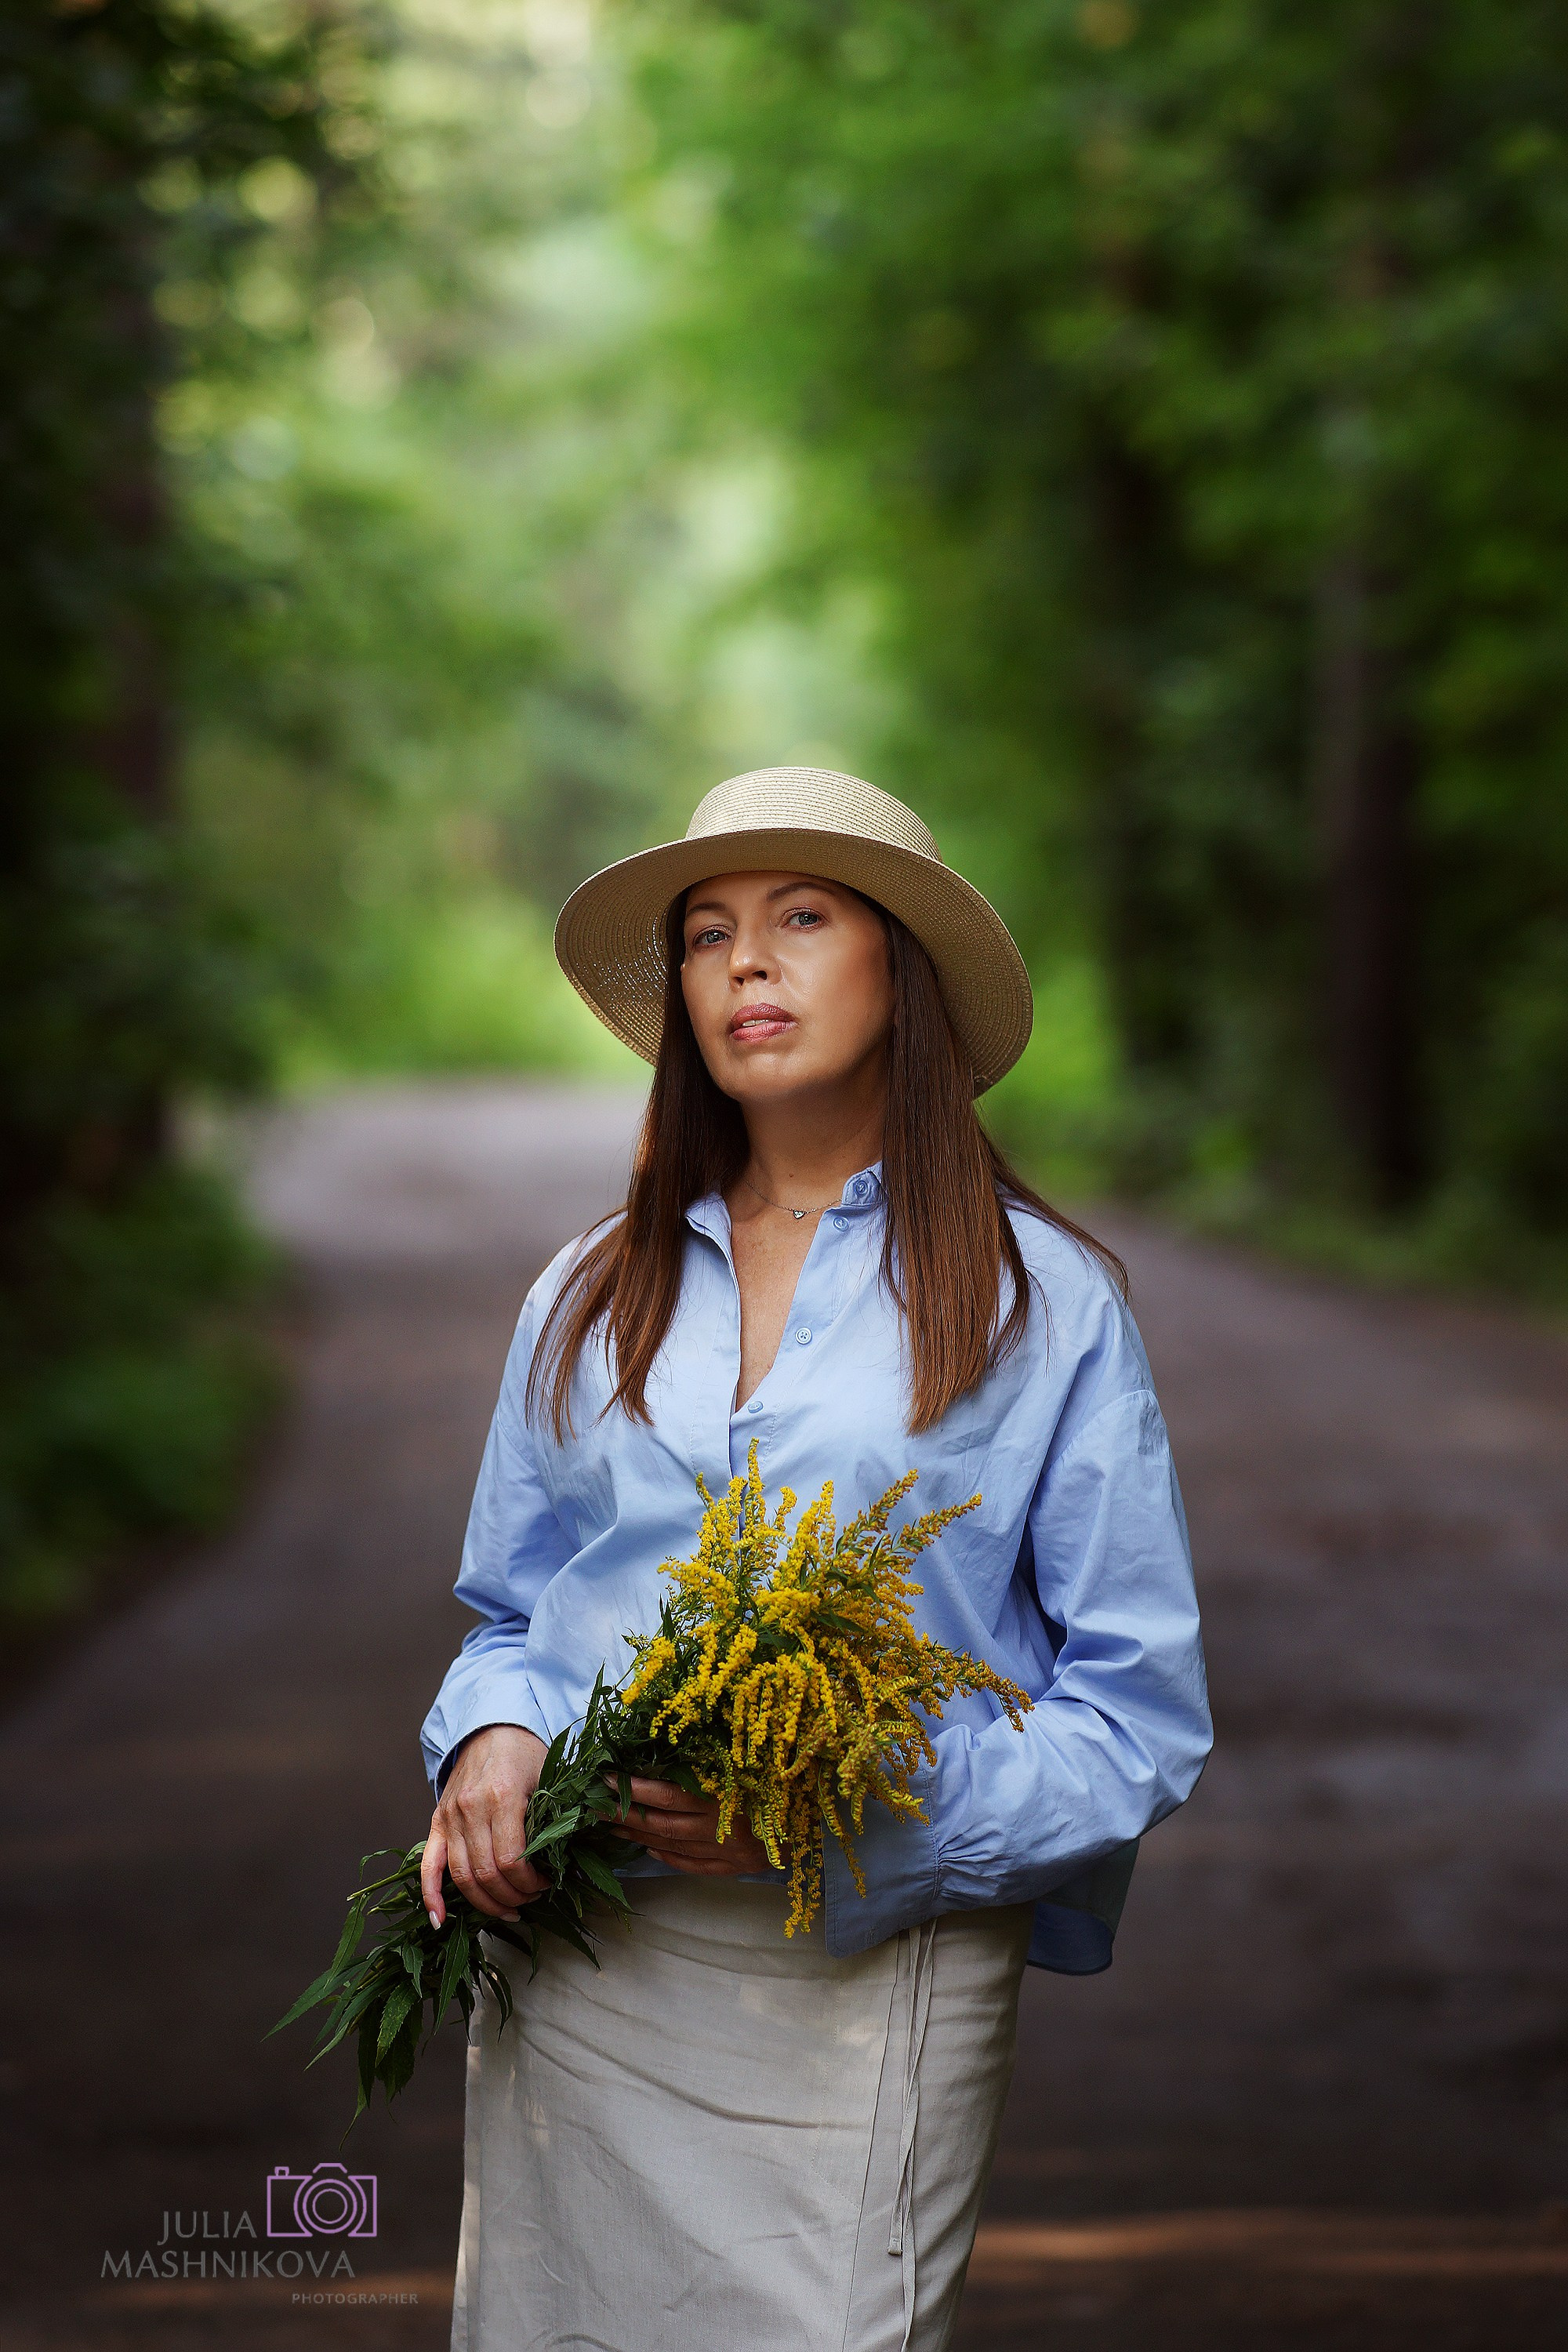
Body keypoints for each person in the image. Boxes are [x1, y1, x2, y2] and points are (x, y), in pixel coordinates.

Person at [418, 767, 1211, 2352]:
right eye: (706, 935)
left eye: (799, 918)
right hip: (583, 1959)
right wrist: (492, 1738)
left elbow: (1136, 1719)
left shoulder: (1040, 1307)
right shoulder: (587, 1289)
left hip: (867, 1976)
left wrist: (859, 1822)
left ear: (897, 969)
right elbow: (514, 1610)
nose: (743, 965)